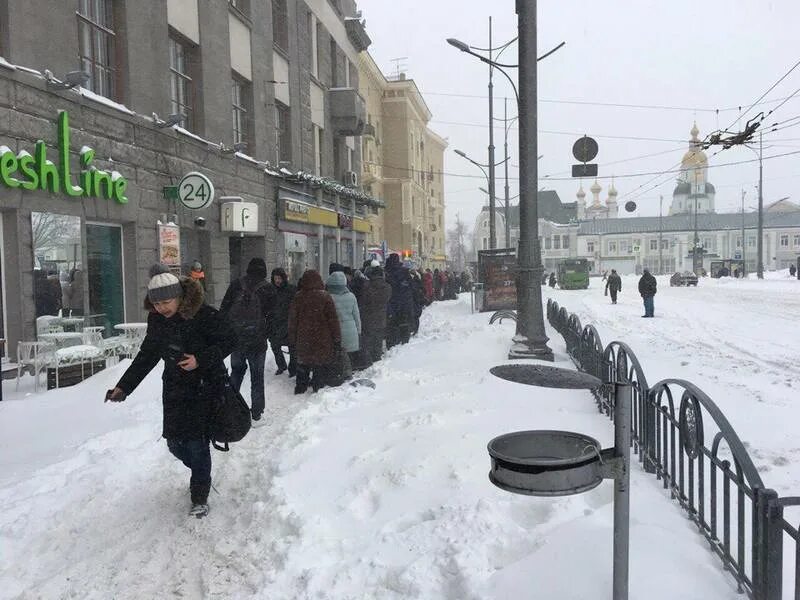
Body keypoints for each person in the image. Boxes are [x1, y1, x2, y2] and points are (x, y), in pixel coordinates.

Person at [106, 264, 236, 518]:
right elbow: (147, 355)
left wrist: (201, 359)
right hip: (175, 390)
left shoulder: (203, 314)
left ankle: (199, 495)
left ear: (179, 297)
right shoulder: (157, 320)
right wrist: (124, 387)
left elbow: (231, 338)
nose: (161, 308)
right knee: (175, 444)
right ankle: (201, 471)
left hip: (204, 387)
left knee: (197, 445)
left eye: (166, 302)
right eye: (157, 304)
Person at [219, 258, 272, 421]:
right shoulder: (267, 289)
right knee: (257, 377)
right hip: (257, 342)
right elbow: (273, 316)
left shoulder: (236, 284)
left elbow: (224, 310)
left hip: (237, 340)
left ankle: (230, 407)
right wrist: (266, 332)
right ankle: (256, 412)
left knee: (236, 372)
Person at [288, 270, 342, 394]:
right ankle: (318, 387)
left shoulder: (298, 297)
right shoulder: (325, 297)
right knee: (319, 364)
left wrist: (292, 339)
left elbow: (292, 321)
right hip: (322, 338)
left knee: (303, 363)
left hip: (303, 338)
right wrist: (337, 338)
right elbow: (333, 320)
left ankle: (300, 387)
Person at [326, 270, 361, 379]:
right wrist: (358, 330)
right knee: (347, 354)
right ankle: (347, 372)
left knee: (336, 354)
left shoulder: (328, 297)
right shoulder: (351, 296)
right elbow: (356, 316)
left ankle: (338, 372)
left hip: (334, 331)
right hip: (350, 331)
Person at [359, 264, 392, 364]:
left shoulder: (366, 286)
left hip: (367, 317)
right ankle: (377, 359)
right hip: (381, 317)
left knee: (368, 342)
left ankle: (368, 362)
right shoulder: (387, 287)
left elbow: (363, 300)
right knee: (378, 340)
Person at [267, 267, 297, 377]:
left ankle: (293, 368)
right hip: (274, 323)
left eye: (279, 278)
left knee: (292, 347)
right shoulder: (270, 290)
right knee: (275, 346)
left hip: (288, 323)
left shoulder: (292, 289)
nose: (278, 281)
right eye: (276, 278)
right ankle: (281, 365)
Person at [385, 253, 416, 348]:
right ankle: (403, 345)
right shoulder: (405, 272)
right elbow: (412, 288)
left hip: (392, 305)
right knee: (404, 325)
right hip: (404, 305)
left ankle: (392, 346)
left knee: (392, 328)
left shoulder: (387, 272)